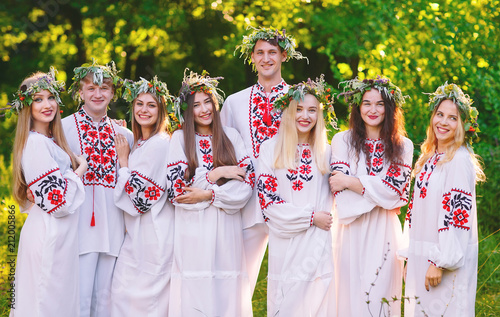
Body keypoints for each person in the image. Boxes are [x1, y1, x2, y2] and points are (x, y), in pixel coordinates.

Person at [221, 26, 307, 294]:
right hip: (247, 201)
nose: (266, 58)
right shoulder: (235, 102)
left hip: (292, 196)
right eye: (260, 52)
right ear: (252, 57)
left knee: (295, 277)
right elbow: (220, 147)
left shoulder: (301, 99)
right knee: (239, 276)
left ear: (284, 55)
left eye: (272, 52)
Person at [166, 69, 254, 316]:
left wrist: (208, 194)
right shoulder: (180, 139)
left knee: (226, 289)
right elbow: (178, 192)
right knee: (196, 290)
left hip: (227, 231)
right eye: (196, 105)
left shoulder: (231, 137)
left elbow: (246, 186)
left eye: (208, 102)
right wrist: (217, 174)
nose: (204, 109)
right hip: (193, 231)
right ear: (188, 110)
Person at [329, 77, 413, 316]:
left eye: (380, 104)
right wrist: (381, 195)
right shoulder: (342, 141)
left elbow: (395, 191)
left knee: (380, 297)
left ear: (390, 108)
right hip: (349, 230)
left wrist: (351, 181)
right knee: (348, 297)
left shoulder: (403, 146)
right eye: (366, 103)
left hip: (384, 230)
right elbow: (339, 192)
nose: (373, 110)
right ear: (358, 106)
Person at [8, 68, 87, 316]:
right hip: (48, 233)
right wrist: (79, 171)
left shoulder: (50, 142)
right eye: (38, 99)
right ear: (27, 106)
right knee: (44, 303)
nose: (47, 104)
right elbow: (58, 202)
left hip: (60, 235)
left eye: (51, 97)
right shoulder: (35, 144)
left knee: (57, 302)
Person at [401, 83, 485, 316]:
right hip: (423, 257)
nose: (443, 122)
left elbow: (456, 217)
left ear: (463, 125)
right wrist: (411, 256)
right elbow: (415, 212)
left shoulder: (458, 160)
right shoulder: (429, 157)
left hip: (442, 263)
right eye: (440, 114)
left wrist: (440, 262)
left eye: (452, 118)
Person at [257, 76, 337, 316]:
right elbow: (268, 203)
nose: (305, 116)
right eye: (299, 109)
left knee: (317, 304)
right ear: (288, 112)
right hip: (285, 240)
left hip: (317, 245)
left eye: (312, 110)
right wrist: (310, 217)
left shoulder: (328, 152)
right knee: (286, 304)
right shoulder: (270, 148)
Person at [63, 59, 134, 316]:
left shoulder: (125, 135)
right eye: (90, 88)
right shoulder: (63, 128)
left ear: (112, 94)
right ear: (80, 92)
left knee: (105, 299)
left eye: (104, 88)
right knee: (79, 296)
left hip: (113, 223)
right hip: (79, 223)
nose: (97, 94)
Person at [110, 77, 174, 316]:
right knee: (122, 296)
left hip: (154, 235)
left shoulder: (161, 144)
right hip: (136, 236)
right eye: (139, 104)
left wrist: (124, 162)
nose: (144, 110)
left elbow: (141, 200)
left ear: (161, 110)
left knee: (146, 303)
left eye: (151, 105)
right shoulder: (140, 143)